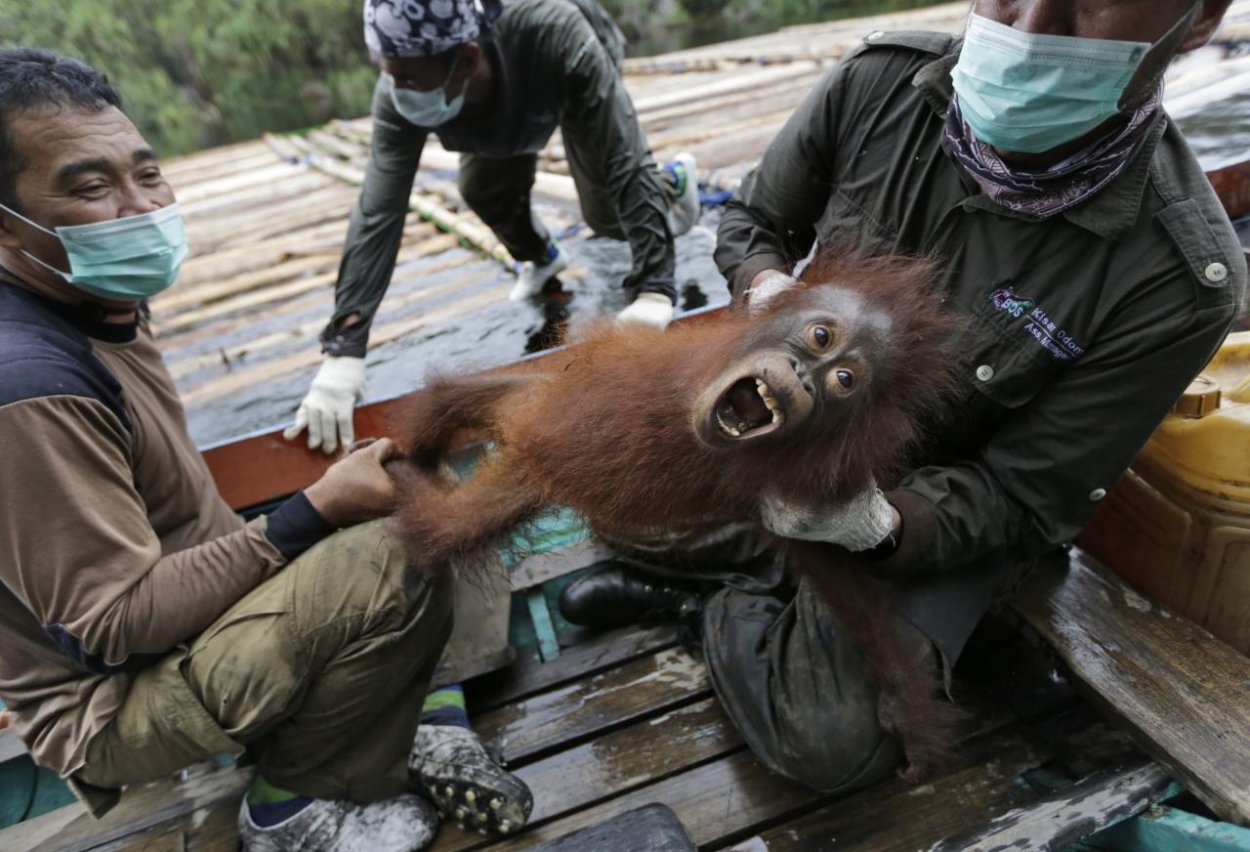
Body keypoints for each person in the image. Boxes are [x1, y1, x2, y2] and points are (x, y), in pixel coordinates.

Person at [560, 0, 1245, 794]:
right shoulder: (880, 82)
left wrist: (881, 527)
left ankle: (710, 610)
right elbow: (752, 219)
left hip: (942, 510)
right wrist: (766, 289)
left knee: (828, 741)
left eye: (1083, 5)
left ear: (1196, 23)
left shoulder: (1177, 279)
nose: (1027, 28)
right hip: (803, 428)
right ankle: (746, 561)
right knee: (608, 495)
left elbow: (1025, 497)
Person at [0, 49, 530, 851]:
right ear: (7, 224)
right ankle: (289, 806)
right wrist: (308, 514)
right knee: (394, 550)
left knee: (435, 484)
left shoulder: (99, 296)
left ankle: (424, 716)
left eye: (145, 173)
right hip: (120, 698)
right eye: (89, 186)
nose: (138, 207)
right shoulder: (26, 385)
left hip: (203, 622)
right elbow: (113, 624)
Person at [285, 0, 702, 454]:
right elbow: (379, 210)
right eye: (389, 73)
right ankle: (542, 256)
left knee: (606, 212)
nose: (395, 88)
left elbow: (622, 157)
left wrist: (654, 288)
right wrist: (346, 344)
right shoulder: (401, 92)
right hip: (484, 104)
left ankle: (672, 183)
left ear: (465, 58)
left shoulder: (553, 31)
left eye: (406, 77)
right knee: (483, 189)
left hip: (556, 74)